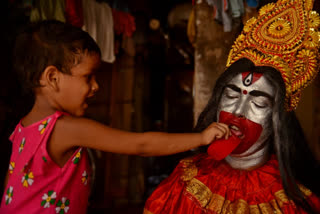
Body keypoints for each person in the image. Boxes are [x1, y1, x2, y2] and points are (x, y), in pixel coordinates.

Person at [0, 20, 232, 214]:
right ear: (52, 78)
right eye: (88, 77)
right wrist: (201, 138)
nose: (96, 86)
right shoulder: (64, 128)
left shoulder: (23, 128)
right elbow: (141, 144)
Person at [143, 0, 320, 213]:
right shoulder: (186, 179)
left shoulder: (291, 201)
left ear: (277, 119)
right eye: (231, 95)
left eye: (259, 102)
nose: (238, 111)